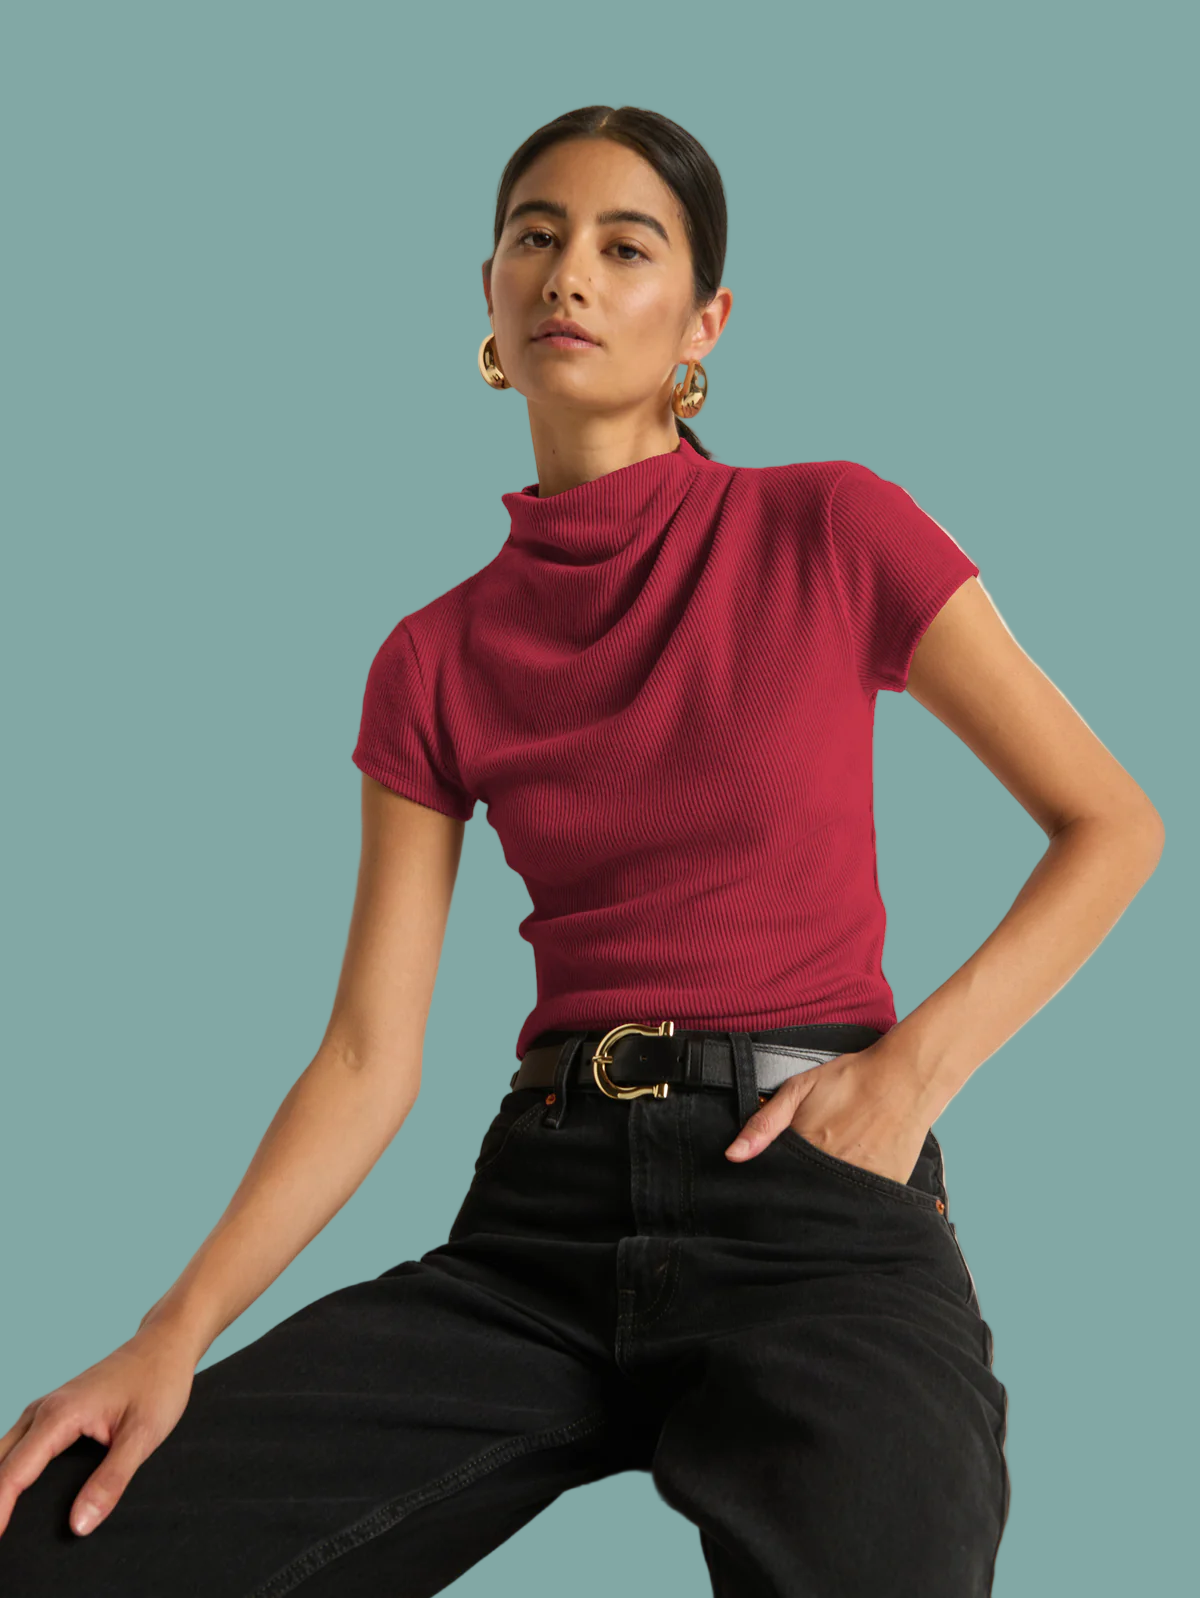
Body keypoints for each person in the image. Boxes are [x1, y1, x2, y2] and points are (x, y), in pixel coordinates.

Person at [0, 104, 1164, 1597]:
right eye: (536, 237)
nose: (568, 274)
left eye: (627, 247)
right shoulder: (433, 658)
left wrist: (909, 1077)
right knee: (53, 1547)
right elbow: (365, 1057)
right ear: (488, 294)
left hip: (811, 1202)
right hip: (539, 1225)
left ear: (704, 321)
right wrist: (170, 1335)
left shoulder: (828, 527)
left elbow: (1110, 822)